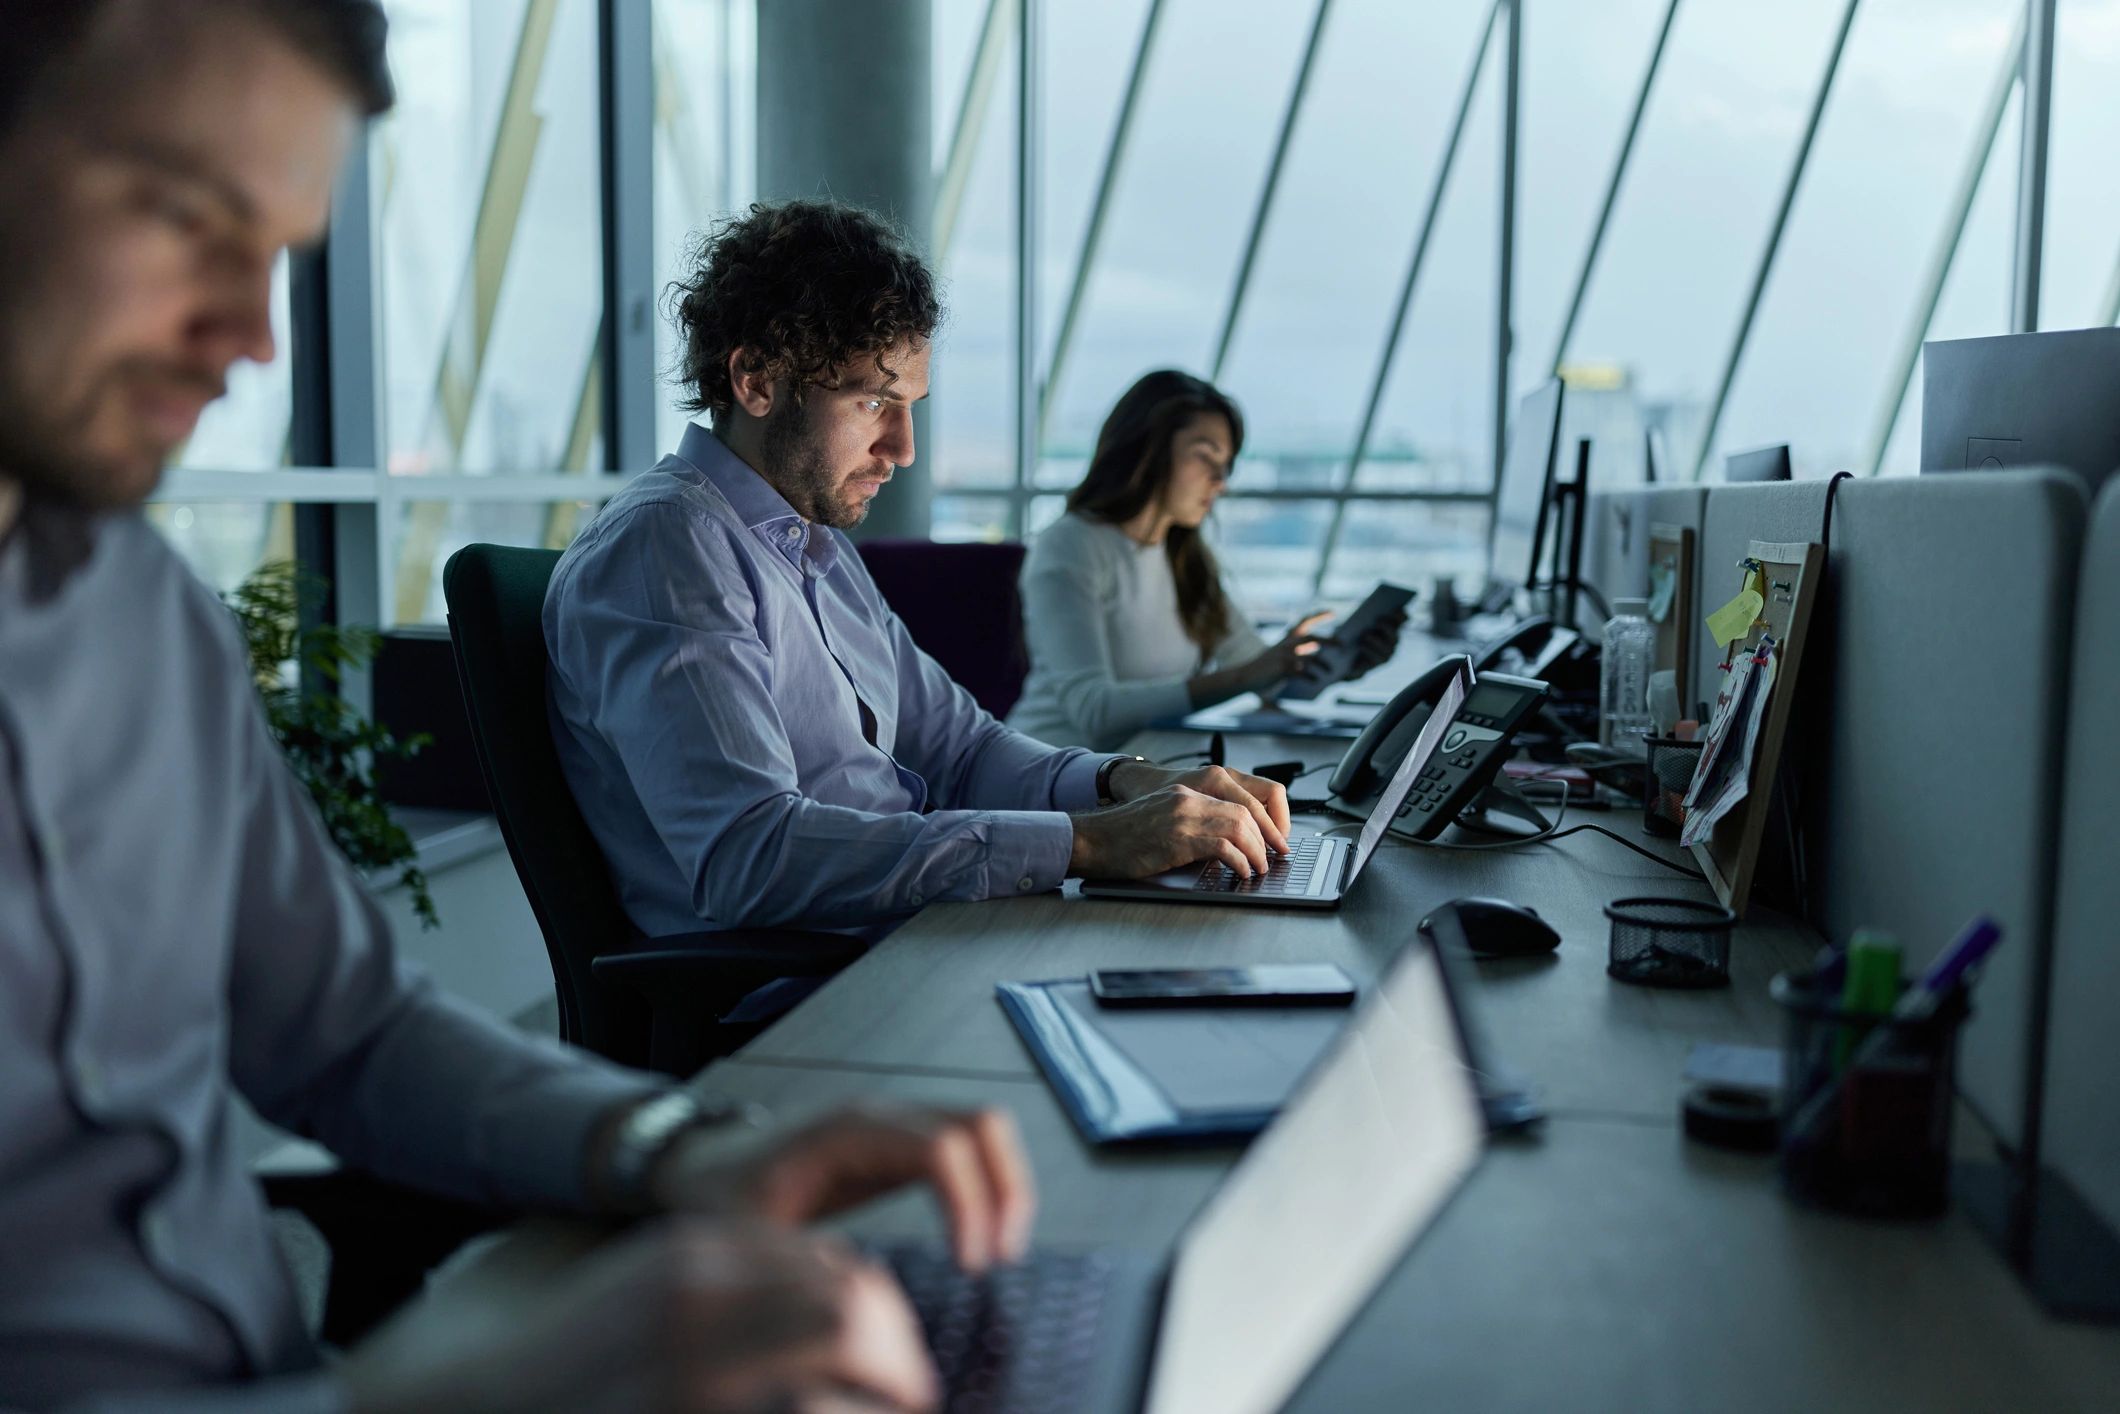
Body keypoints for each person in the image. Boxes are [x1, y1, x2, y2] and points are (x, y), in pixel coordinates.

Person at [0, 4, 1034, 1410]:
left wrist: (674, 1149)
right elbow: (746, 853)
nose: (252, 336)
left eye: (277, 254)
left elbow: (347, 1029)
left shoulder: (129, 608)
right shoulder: (666, 548)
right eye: (185, 215)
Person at [545, 200, 1302, 960]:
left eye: (909, 406)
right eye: (872, 400)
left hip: (920, 930)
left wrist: (1123, 783)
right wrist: (1087, 842)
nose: (903, 448)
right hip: (810, 985)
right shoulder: (666, 551)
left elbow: (963, 749)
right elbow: (751, 857)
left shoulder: (817, 550)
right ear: (756, 379)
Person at [1008, 369, 1405, 752]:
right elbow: (1094, 710)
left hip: (1138, 766)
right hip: (1049, 773)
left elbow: (1263, 676)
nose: (1220, 479)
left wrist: (1345, 663)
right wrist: (1250, 675)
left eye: (1226, 463)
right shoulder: (1070, 545)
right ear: (1147, 450)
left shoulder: (1184, 557)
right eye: (1205, 456)